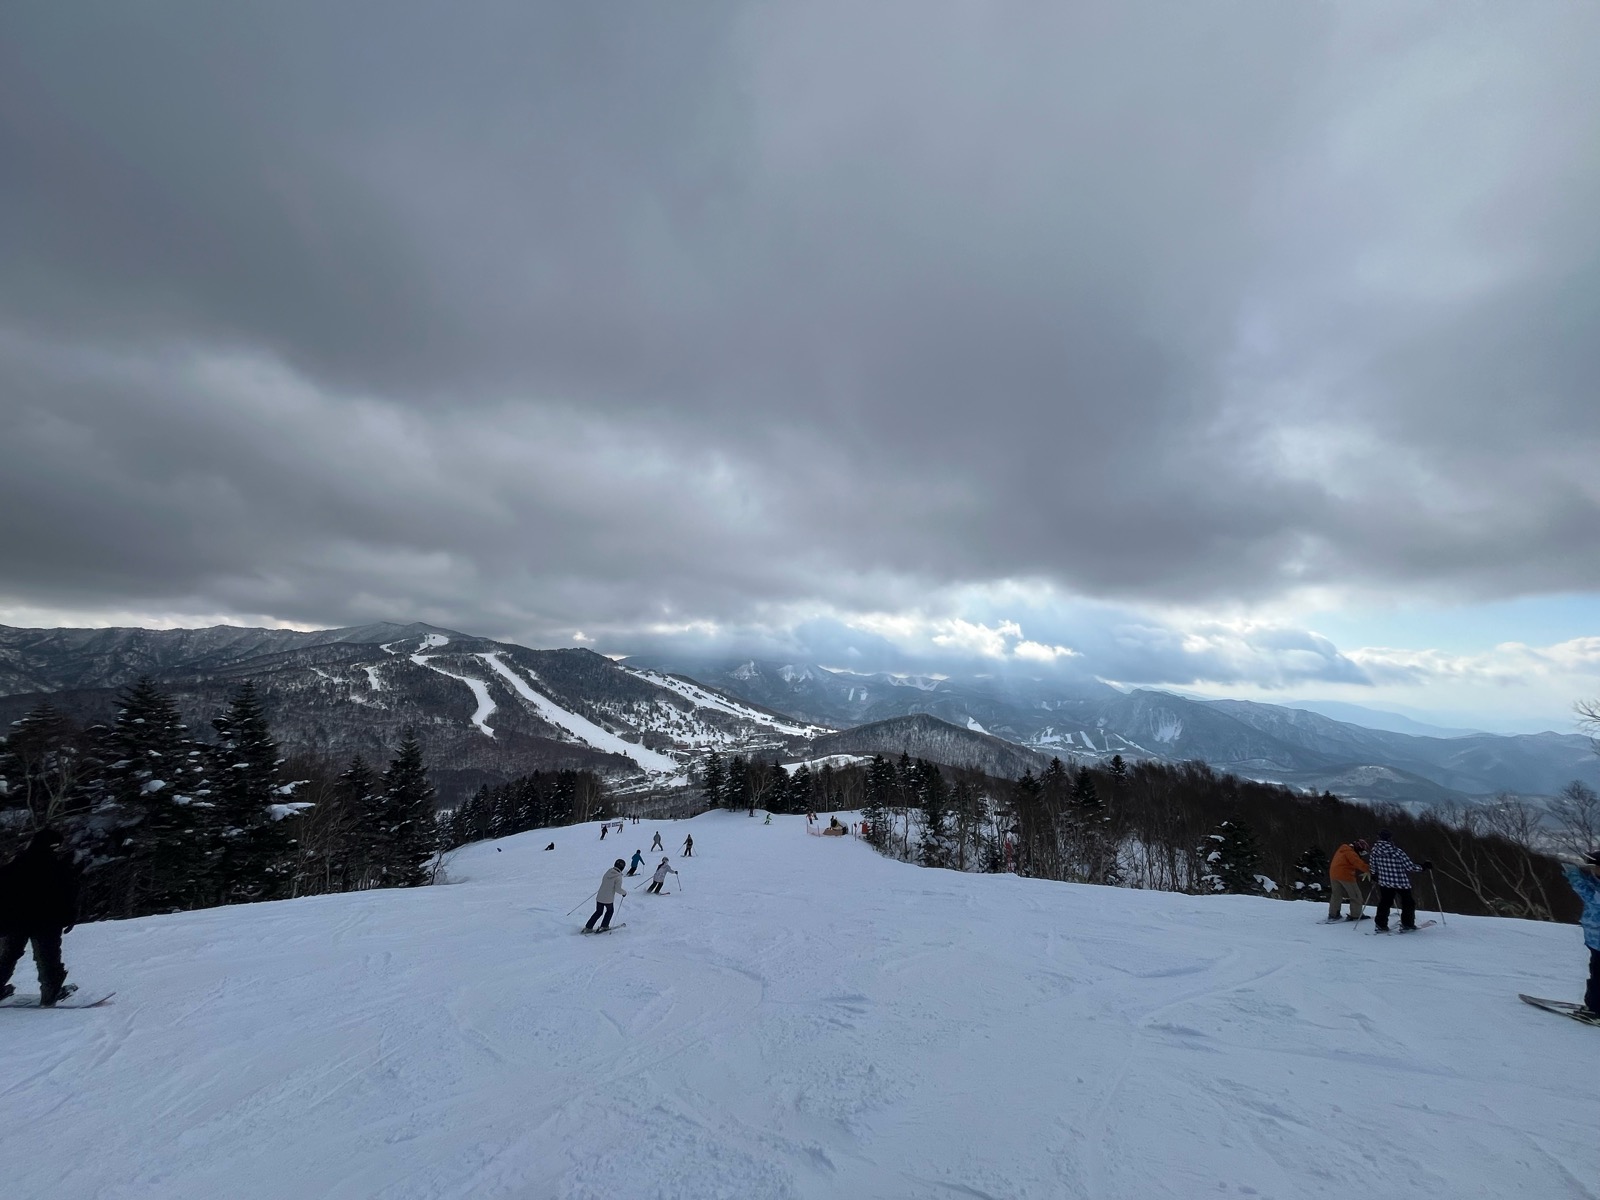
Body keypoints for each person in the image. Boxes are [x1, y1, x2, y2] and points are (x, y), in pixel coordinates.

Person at [0, 829, 81, 1006]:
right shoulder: (58, 867)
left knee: (7, 957)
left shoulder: (16, 864)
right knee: (48, 958)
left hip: (15, 921)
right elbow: (68, 895)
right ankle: (50, 994)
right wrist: (70, 917)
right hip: (46, 922)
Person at [1561, 850, 1600, 1016]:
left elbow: (1591, 897)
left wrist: (1575, 878)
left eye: (1595, 867)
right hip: (1595, 940)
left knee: (1598, 978)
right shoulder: (1597, 880)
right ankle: (1594, 1006)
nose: (1592, 870)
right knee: (1596, 974)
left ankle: (1596, 1010)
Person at [1368, 830, 1430, 932]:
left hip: (1384, 881)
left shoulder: (1375, 851)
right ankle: (1407, 924)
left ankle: (1380, 924)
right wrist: (1423, 867)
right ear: (1389, 839)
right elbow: (1410, 867)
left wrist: (1374, 875)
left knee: (1385, 902)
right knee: (1408, 903)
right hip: (1401, 882)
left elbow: (1373, 866)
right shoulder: (1397, 852)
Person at [1327, 839, 1371, 921]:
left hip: (1333, 874)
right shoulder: (1351, 853)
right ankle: (1356, 914)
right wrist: (1370, 869)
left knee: (1336, 895)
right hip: (1345, 875)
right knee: (1356, 895)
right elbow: (1358, 863)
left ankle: (1333, 913)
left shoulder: (1343, 849)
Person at [584, 859, 628, 932]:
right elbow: (618, 889)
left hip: (599, 896)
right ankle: (604, 926)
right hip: (608, 899)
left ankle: (588, 927)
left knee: (598, 912)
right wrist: (624, 893)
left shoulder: (608, 872)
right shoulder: (618, 877)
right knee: (610, 911)